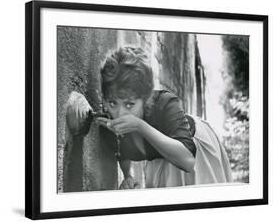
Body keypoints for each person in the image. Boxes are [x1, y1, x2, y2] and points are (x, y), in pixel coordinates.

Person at [66, 46, 233, 189]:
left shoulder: (165, 103)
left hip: (191, 152)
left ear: (145, 100)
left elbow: (187, 161)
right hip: (160, 160)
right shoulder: (108, 120)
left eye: (129, 104)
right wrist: (127, 176)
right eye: (112, 102)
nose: (119, 113)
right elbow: (121, 149)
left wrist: (140, 126)